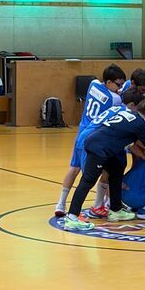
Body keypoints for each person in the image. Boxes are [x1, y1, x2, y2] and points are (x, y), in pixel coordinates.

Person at [64, 98, 145, 231]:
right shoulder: (142, 124)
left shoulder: (127, 113)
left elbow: (131, 141)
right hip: (99, 148)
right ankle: (72, 217)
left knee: (117, 170)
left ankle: (115, 210)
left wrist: (142, 155)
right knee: (88, 180)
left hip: (100, 144)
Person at [54, 65, 126, 217]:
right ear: (109, 82)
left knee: (74, 168)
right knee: (92, 174)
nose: (119, 89)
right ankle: (94, 206)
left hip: (81, 132)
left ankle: (61, 203)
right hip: (94, 138)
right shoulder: (115, 99)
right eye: (118, 85)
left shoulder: (93, 84)